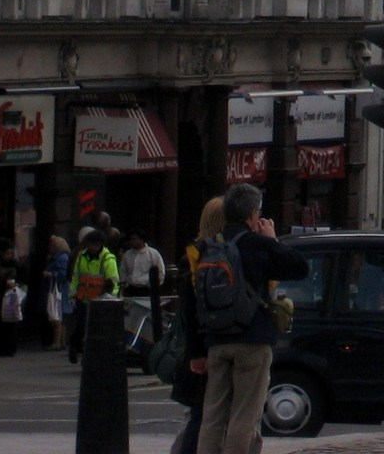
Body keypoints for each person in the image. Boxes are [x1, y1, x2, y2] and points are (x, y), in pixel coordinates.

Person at [195, 183, 310, 454]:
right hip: (252, 339)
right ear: (252, 214)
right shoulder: (257, 244)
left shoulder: (210, 247)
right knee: (244, 416)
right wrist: (272, 240)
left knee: (212, 416)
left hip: (216, 339)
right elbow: (299, 267)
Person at [173, 197, 226, 454]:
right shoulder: (202, 258)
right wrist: (197, 353)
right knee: (202, 413)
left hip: (202, 346)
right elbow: (191, 312)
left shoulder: (197, 255)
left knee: (201, 412)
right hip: (205, 346)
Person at [68, 227, 119, 364]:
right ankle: (75, 348)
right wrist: (72, 295)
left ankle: (88, 355)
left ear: (98, 244)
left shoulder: (108, 259)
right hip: (83, 298)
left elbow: (113, 281)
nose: (89, 247)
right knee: (81, 327)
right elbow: (76, 277)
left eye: (91, 244)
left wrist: (109, 298)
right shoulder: (82, 256)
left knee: (95, 330)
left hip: (100, 301)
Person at [119, 230, 168, 338]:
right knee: (130, 317)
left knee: (146, 316)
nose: (132, 241)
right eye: (131, 239)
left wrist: (155, 286)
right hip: (131, 289)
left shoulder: (153, 254)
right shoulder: (128, 254)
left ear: (142, 240)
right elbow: (123, 271)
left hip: (146, 290)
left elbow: (160, 272)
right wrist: (123, 286)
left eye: (135, 239)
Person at [41, 234, 71, 351]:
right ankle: (62, 341)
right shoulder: (61, 257)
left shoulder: (61, 258)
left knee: (57, 315)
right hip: (59, 289)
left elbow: (63, 275)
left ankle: (57, 342)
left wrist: (50, 274)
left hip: (58, 290)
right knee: (61, 316)